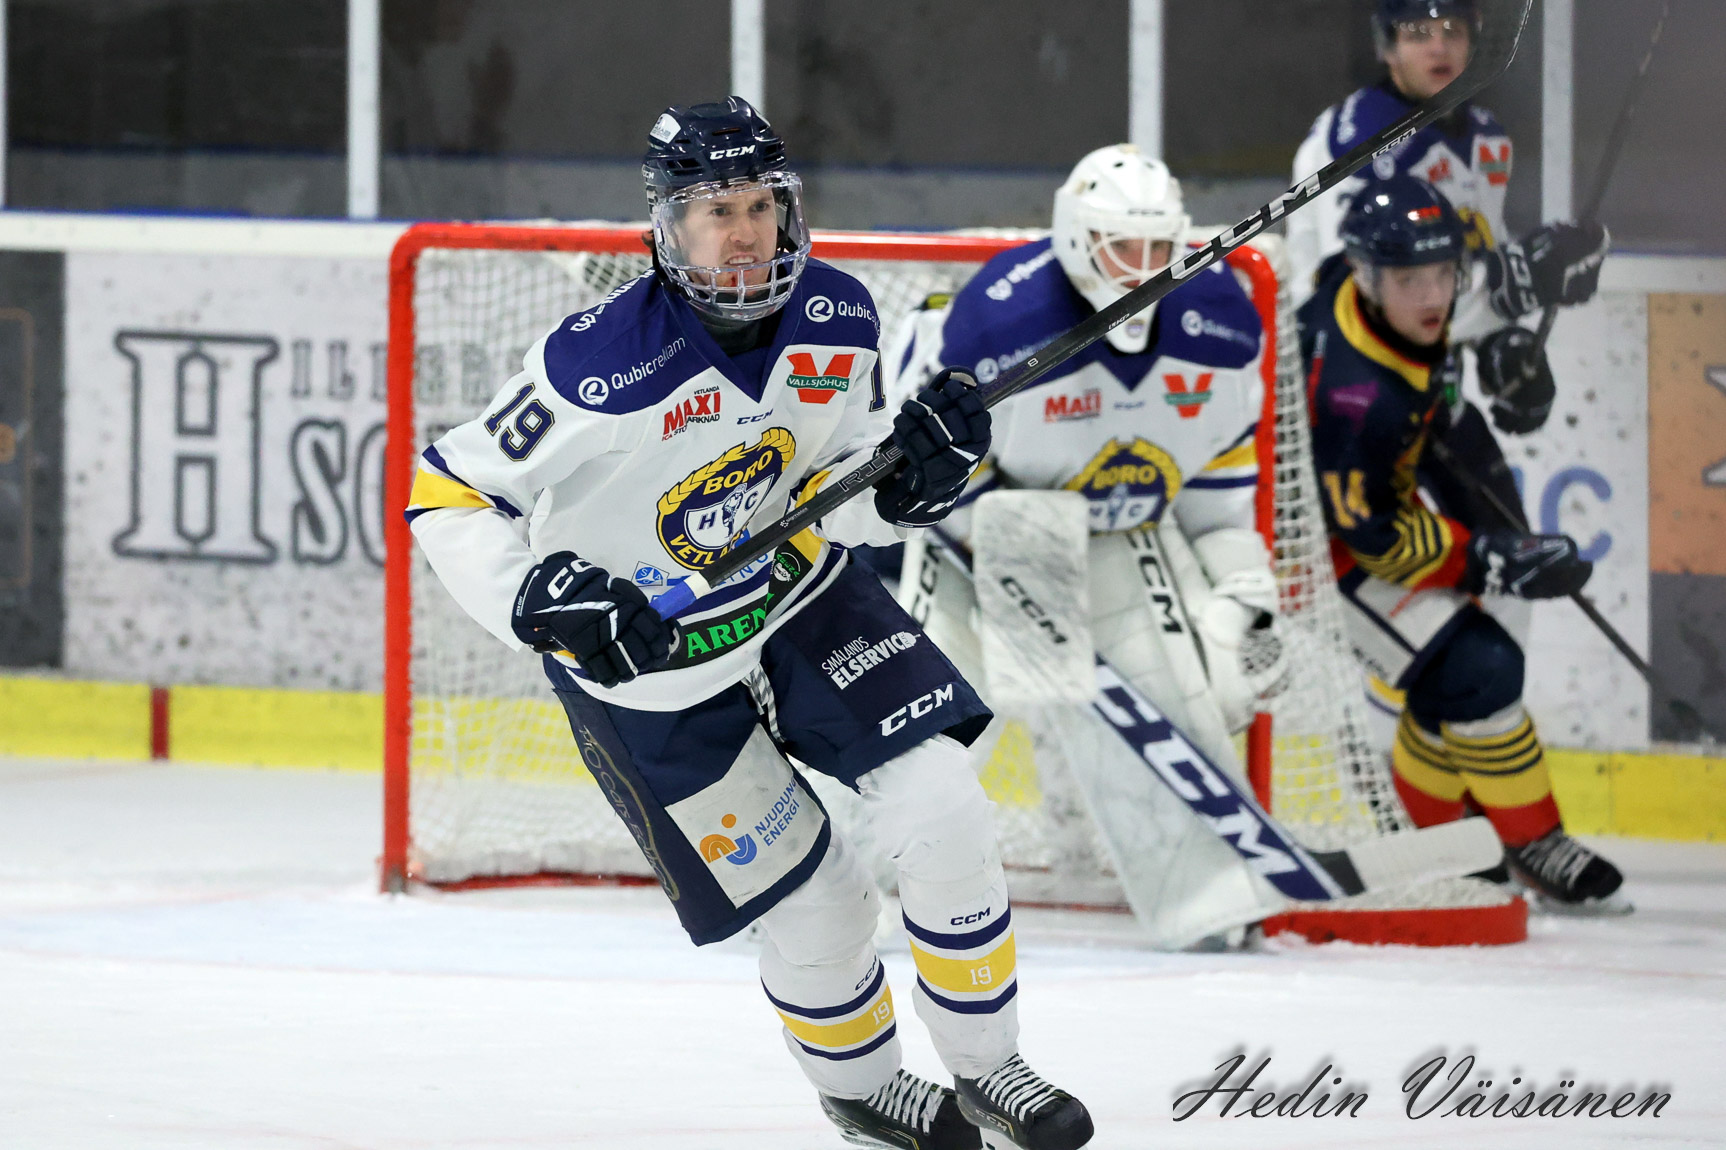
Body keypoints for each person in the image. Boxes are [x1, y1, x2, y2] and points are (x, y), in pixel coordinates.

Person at [404, 97, 1094, 1150]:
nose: (743, 233)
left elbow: (839, 486)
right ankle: (864, 1093)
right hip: (650, 668)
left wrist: (910, 481)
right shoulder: (597, 365)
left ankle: (989, 1070)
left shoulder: (839, 316)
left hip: (795, 597)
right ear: (667, 227)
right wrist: (534, 600)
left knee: (942, 801)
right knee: (819, 905)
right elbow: (448, 488)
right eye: (714, 211)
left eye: (759, 205)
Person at [886, 144, 1292, 947]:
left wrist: (1245, 592)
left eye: (1157, 248)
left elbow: (1215, 501)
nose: (1141, 271)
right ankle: (835, 889)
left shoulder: (1221, 329)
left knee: (1186, 693)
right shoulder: (999, 327)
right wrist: (1016, 550)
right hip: (972, 540)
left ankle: (1207, 901)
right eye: (1120, 248)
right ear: (1076, 240)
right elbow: (922, 482)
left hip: (1110, 537)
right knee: (917, 725)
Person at [1286, 0, 1610, 798]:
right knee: (1404, 603)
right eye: (1417, 32)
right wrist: (1511, 287)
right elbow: (1343, 297)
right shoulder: (1352, 137)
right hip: (1351, 402)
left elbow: (1465, 273)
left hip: (1437, 394)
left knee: (1511, 568)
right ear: (1385, 46)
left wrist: (1502, 346)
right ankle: (1377, 794)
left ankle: (1443, 785)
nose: (1439, 46)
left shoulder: (1486, 141)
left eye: (1452, 29)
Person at [1300, 174, 1625, 910]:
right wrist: (1490, 560)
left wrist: (1525, 283)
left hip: (1394, 469)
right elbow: (1377, 537)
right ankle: (1512, 840)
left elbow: (1458, 303)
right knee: (1476, 669)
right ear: (1367, 276)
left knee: (1464, 670)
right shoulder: (1354, 394)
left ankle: (1447, 833)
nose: (1433, 297)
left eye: (1444, 273)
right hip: (1314, 543)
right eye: (1410, 280)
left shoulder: (1367, 291)